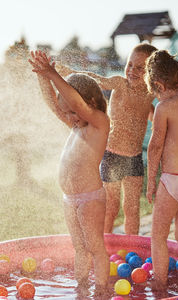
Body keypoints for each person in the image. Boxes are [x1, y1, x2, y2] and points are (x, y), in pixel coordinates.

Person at [28, 51, 110, 293]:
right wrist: (43, 76)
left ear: (91, 104)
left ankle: (103, 291)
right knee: (79, 247)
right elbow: (56, 105)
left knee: (94, 246)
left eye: (73, 113)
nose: (70, 117)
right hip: (70, 198)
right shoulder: (75, 124)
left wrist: (54, 74)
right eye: (68, 114)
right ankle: (82, 289)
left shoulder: (98, 123)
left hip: (90, 198)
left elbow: (75, 104)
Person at [56, 43, 157, 234]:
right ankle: (106, 245)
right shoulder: (120, 83)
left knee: (132, 209)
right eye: (130, 65)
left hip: (134, 158)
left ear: (150, 72)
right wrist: (71, 73)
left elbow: (149, 111)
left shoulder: (149, 94)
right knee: (111, 207)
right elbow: (97, 81)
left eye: (140, 68)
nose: (132, 71)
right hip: (112, 156)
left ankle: (131, 246)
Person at [145, 50, 178, 290]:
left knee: (158, 236)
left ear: (159, 84)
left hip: (173, 180)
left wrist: (150, 182)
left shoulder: (164, 107)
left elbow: (155, 146)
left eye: (155, 92)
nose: (157, 97)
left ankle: (159, 287)